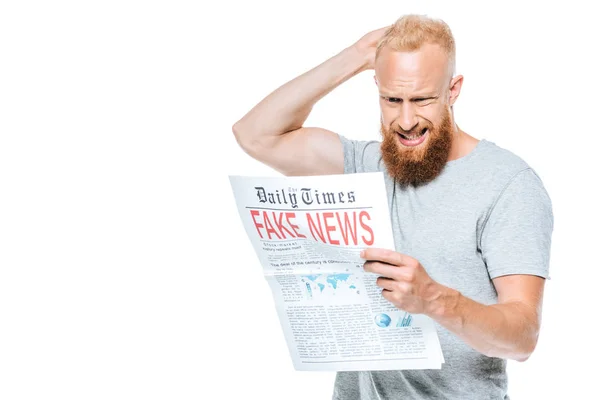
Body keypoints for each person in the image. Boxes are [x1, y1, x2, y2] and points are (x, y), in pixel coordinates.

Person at [232, 14, 554, 400]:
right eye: (391, 99)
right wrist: (357, 54)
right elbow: (255, 135)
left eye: (422, 99)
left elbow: (522, 338)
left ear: (453, 90)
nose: (405, 121)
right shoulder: (365, 164)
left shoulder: (507, 184)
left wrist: (434, 299)